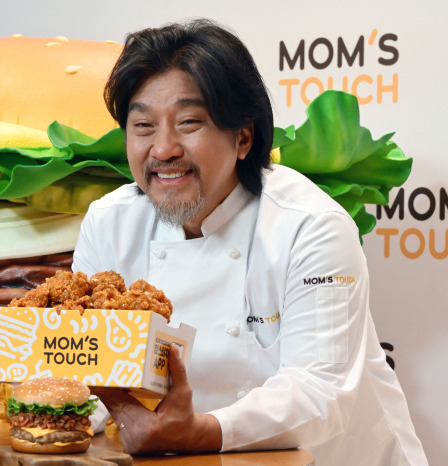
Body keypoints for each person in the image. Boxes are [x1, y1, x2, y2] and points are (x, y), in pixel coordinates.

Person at [72, 19, 427, 466]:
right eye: (143, 125)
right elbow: (89, 371)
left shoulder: (311, 226)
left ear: (243, 137)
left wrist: (198, 432)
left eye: (188, 122)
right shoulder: (108, 223)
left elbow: (319, 392)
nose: (163, 149)